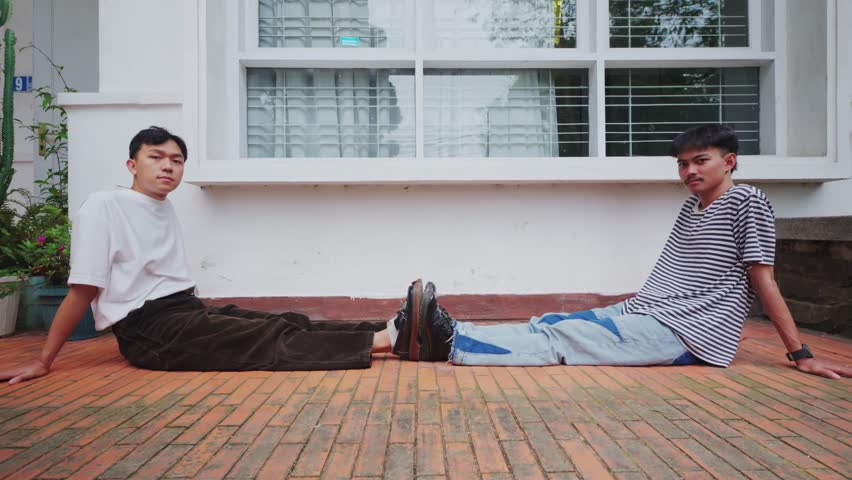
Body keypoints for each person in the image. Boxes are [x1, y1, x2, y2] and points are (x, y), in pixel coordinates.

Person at [393, 124, 852, 379]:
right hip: (653, 313)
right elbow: (673, 275)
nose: (689, 171)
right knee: (552, 321)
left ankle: (450, 341)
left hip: (690, 334)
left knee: (561, 341)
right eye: (682, 164)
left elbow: (763, 278)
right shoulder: (692, 207)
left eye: (700, 161)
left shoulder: (748, 200)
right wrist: (624, 308)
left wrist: (800, 353)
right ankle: (413, 332)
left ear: (729, 161)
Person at [0, 126, 449, 385]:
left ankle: (399, 325)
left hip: (182, 310)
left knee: (286, 320)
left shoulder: (162, 206)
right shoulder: (104, 205)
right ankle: (390, 340)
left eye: (176, 160)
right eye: (156, 158)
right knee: (264, 341)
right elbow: (83, 289)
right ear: (132, 165)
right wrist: (44, 360)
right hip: (148, 330)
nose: (168, 167)